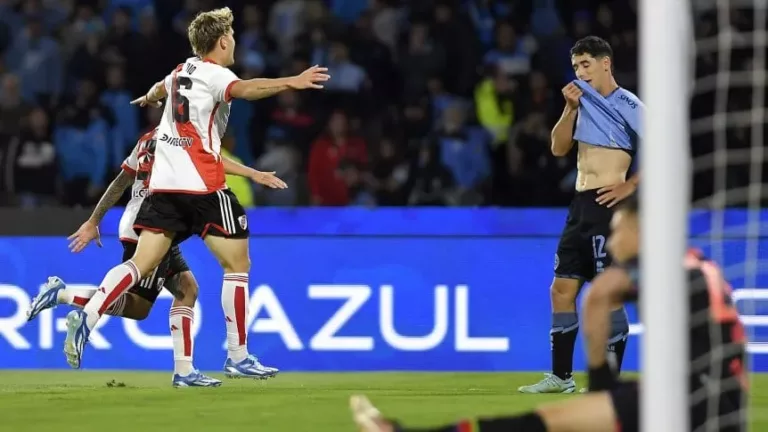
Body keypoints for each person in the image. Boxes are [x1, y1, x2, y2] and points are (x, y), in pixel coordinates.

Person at [61, 6, 330, 375]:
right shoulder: (216, 75)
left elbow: (161, 87)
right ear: (222, 41)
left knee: (139, 265)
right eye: (231, 36)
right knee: (237, 265)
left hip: (164, 188)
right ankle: (238, 357)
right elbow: (248, 89)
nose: (233, 40)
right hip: (203, 186)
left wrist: (150, 97)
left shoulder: (179, 71)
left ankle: (88, 318)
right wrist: (292, 81)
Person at [350, 194, 748, 432]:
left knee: (545, 422)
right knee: (550, 421)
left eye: (618, 229)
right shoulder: (697, 264)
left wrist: (602, 385)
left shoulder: (659, 265)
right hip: (715, 403)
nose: (612, 239)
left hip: (688, 404)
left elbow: (598, 295)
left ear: (641, 229)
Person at [28, 127, 276, 385]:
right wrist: (253, 174)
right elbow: (212, 162)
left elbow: (119, 182)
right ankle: (68, 298)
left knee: (187, 288)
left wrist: (94, 221)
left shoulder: (147, 138)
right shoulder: (184, 135)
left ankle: (184, 371)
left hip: (146, 219)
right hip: (155, 222)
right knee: (139, 305)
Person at [519, 36, 642, 393]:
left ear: (606, 63)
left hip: (610, 207)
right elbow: (558, 148)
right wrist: (569, 109)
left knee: (609, 294)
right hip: (580, 206)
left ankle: (610, 383)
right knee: (561, 289)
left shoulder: (628, 104)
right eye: (575, 66)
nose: (580, 72)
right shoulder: (580, 102)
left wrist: (629, 187)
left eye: (586, 64)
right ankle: (561, 377)